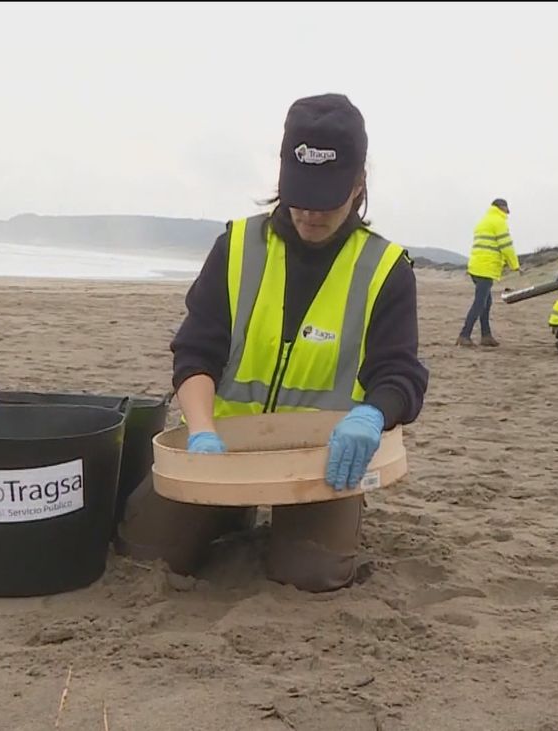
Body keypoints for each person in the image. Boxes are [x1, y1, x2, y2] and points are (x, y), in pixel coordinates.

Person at [119, 93, 429, 594]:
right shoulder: (237, 246)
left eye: (326, 201)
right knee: (147, 550)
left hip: (322, 459)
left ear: (358, 186)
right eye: (298, 196)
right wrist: (201, 432)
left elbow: (399, 374)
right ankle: (231, 512)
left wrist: (372, 416)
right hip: (221, 449)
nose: (309, 214)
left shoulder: (386, 269)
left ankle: (306, 525)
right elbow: (196, 351)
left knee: (311, 575)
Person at [458, 199, 520, 347]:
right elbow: (506, 246)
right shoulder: (498, 222)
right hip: (485, 268)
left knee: (486, 302)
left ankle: (486, 336)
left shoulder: (484, 221)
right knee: (480, 303)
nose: (507, 213)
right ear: (502, 208)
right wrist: (515, 265)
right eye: (506, 209)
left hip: (476, 267)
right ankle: (464, 335)